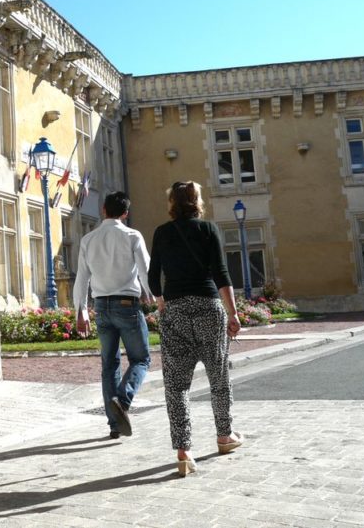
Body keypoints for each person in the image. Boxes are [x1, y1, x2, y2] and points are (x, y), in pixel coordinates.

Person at [147, 181, 243, 476]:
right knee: (218, 376)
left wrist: (162, 302)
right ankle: (224, 436)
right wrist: (233, 313)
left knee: (176, 386)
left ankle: (183, 451)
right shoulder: (208, 229)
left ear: (172, 203)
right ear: (196, 201)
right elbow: (221, 274)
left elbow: (153, 278)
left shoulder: (162, 232)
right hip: (207, 308)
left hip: (175, 311)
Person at [74, 191, 155, 440]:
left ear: (103, 210)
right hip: (126, 304)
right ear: (125, 213)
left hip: (101, 306)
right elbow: (144, 270)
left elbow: (82, 277)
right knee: (141, 359)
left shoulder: (88, 239)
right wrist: (151, 295)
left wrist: (80, 310)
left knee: (109, 365)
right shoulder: (132, 235)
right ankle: (122, 399)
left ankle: (114, 424)